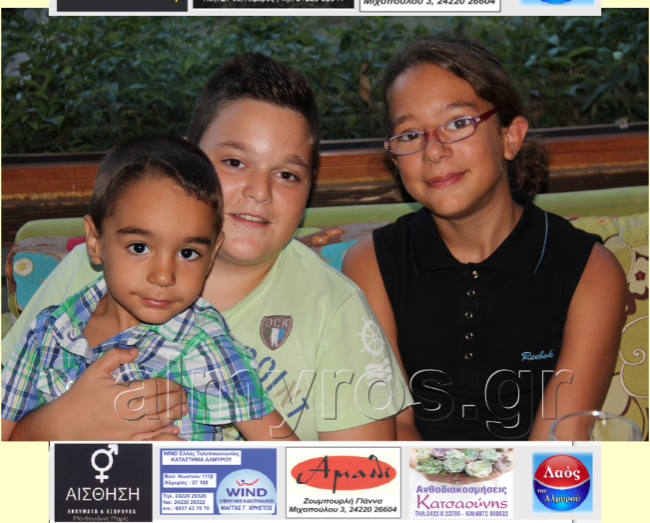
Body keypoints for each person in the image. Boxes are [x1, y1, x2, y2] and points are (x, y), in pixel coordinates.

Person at [2, 53, 409, 441]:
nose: (260, 191)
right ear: (187, 162)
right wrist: (59, 425)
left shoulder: (334, 308)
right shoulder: (83, 275)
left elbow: (357, 475)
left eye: (287, 174)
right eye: (234, 162)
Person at [342, 36, 627, 441]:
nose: (433, 151)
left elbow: (562, 433)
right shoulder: (370, 263)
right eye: (409, 134)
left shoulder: (589, 270)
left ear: (510, 138)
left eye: (458, 123)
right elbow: (394, 426)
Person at [2, 134, 297, 442]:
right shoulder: (47, 332)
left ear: (211, 255)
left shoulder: (204, 345)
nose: (164, 276)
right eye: (139, 247)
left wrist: (194, 464)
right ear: (95, 241)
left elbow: (289, 460)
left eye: (188, 253)